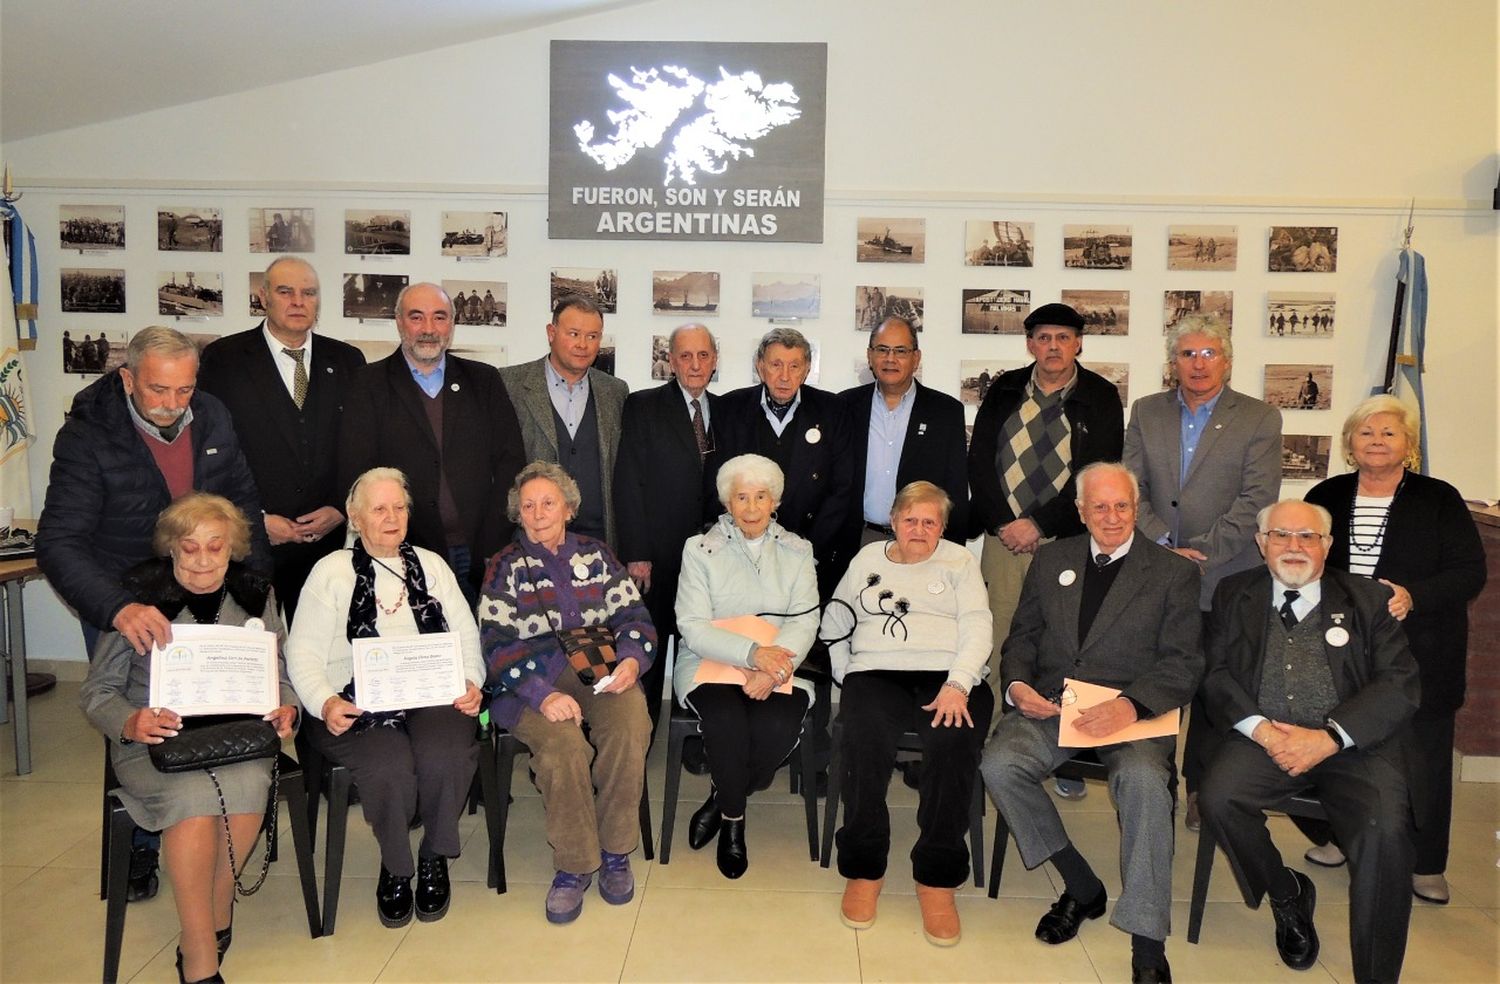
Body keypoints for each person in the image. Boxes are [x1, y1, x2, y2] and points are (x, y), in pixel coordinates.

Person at [37, 325, 270, 902]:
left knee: (219, 715)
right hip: (127, 603)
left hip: (210, 593)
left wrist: (256, 590)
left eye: (184, 391)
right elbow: (59, 541)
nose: (172, 405)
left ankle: (219, 830)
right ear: (128, 378)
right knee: (139, 724)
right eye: (158, 391)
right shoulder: (89, 436)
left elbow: (244, 505)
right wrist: (118, 607)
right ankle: (142, 849)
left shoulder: (212, 416)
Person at [980, 463, 1203, 984]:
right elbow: (1023, 637)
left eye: (1121, 505)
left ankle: (1148, 941)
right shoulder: (1053, 557)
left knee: (1147, 783)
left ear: (1136, 506)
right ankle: (1081, 884)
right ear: (1080, 511)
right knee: (1000, 763)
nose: (1111, 516)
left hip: (1133, 713)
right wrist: (1018, 688)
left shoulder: (1172, 572)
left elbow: (1183, 663)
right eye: (1098, 506)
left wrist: (1130, 705)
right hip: (1057, 705)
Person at [1198, 499, 1419, 983]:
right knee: (1218, 798)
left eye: (1308, 537)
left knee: (1385, 833)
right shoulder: (1235, 593)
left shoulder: (1368, 599)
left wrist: (1331, 737)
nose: (1294, 547)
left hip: (1353, 745)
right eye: (1281, 535)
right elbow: (1214, 675)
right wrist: (1259, 729)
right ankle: (1286, 893)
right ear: (1261, 543)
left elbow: (1400, 685)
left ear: (1328, 545)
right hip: (1264, 735)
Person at [80, 494, 298, 984]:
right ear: (171, 550)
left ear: (231, 550)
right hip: (154, 739)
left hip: (238, 736)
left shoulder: (255, 592)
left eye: (214, 547)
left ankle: (218, 903)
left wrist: (288, 709)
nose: (202, 560)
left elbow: (278, 673)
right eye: (190, 548)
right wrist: (131, 721)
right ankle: (198, 945)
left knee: (249, 787)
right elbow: (97, 691)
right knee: (195, 801)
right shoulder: (138, 596)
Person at [1299, 395, 1485, 903]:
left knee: (1423, 756)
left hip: (1421, 648)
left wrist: (1413, 596)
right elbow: (1297, 556)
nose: (1377, 441)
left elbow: (1471, 572)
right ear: (1350, 443)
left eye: (1389, 433)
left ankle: (1427, 862)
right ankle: (1339, 836)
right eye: (1366, 432)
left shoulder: (1439, 498)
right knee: (1342, 742)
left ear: (1409, 445)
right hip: (1339, 650)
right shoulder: (1327, 495)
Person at [287, 468, 485, 929]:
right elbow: (302, 652)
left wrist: (472, 680)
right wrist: (324, 702)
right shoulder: (330, 572)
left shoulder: (432, 565)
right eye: (379, 509)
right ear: (355, 518)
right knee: (389, 765)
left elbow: (466, 635)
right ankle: (397, 866)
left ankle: (434, 852)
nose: (392, 517)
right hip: (355, 702)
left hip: (431, 692)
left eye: (399, 508)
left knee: (446, 752)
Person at [478, 461, 655, 925]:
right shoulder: (505, 566)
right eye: (529, 505)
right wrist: (542, 694)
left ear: (569, 508)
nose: (538, 513)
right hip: (525, 682)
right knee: (561, 744)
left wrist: (632, 659)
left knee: (631, 720)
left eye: (548, 503)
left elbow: (633, 615)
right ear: (518, 514)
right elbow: (495, 642)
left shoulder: (596, 554)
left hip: (597, 668)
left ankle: (616, 848)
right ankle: (574, 865)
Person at [820, 481, 994, 947]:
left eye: (930, 522)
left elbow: (979, 624)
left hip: (949, 675)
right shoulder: (866, 561)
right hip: (877, 672)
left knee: (952, 743)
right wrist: (847, 675)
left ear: (943, 527)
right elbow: (834, 621)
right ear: (894, 521)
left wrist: (959, 682)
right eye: (910, 519)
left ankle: (937, 877)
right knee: (863, 739)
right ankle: (863, 867)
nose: (919, 529)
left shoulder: (959, 562)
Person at [1124, 316, 1281, 829]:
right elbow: (1132, 487)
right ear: (1173, 363)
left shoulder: (1259, 418)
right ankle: (1155, 782)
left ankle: (1202, 789)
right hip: (1156, 570)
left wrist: (1198, 550)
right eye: (1187, 354)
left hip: (1226, 574)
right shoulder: (1146, 411)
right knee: (1157, 679)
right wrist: (1166, 547)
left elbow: (1257, 499)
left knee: (1215, 687)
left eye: (1208, 354)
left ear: (1227, 361)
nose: (1198, 363)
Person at [968, 302, 1123, 801]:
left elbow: (1098, 471)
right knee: (1000, 631)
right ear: (1029, 343)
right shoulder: (1006, 387)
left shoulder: (1100, 396)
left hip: (1069, 540)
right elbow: (979, 461)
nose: (1052, 346)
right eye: (1042, 337)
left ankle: (1065, 749)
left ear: (1079, 343)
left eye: (1063, 337)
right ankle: (993, 740)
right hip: (1003, 537)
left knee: (1065, 640)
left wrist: (1039, 523)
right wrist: (1004, 523)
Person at [673, 454, 819, 878]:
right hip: (711, 660)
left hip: (780, 664)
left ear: (775, 502)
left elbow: (806, 619)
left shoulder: (798, 551)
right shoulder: (700, 551)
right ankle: (734, 824)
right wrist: (752, 656)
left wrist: (771, 669)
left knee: (775, 727)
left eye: (761, 497)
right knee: (727, 723)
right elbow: (692, 625)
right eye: (741, 497)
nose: (752, 508)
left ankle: (720, 798)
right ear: (727, 503)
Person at [199, 257, 366, 622]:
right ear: (263, 297)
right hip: (251, 542)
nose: (298, 301)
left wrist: (340, 508)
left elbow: (361, 444)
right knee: (253, 654)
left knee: (322, 654)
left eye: (308, 293)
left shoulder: (348, 360)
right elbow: (210, 454)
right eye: (285, 291)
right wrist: (256, 521)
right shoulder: (223, 360)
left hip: (327, 541)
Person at [339, 282, 526, 604]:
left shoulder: (484, 381)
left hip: (478, 551)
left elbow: (511, 462)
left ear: (452, 325)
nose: (428, 329)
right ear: (399, 322)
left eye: (439, 317)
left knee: (476, 648)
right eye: (417, 317)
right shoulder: (367, 384)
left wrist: (494, 543)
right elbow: (357, 471)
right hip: (401, 551)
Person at [614, 323, 722, 735]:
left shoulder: (726, 410)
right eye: (685, 356)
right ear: (671, 361)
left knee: (702, 651)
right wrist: (637, 553)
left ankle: (696, 740)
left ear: (714, 360)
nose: (695, 365)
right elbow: (628, 480)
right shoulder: (643, 406)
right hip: (657, 556)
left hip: (711, 560)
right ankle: (640, 735)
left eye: (703, 356)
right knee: (651, 649)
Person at [715, 326, 854, 599]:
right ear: (760, 366)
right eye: (776, 364)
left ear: (807, 369)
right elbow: (720, 484)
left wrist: (809, 548)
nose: (785, 376)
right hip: (742, 549)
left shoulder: (833, 410)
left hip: (811, 548)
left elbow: (842, 488)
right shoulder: (730, 408)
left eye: (794, 366)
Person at [500, 294, 629, 549]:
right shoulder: (509, 384)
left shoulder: (615, 391)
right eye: (573, 334)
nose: (583, 344)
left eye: (592, 336)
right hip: (530, 539)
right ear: (551, 333)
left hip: (599, 541)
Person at [839, 316, 968, 562]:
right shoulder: (844, 406)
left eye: (900, 351)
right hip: (858, 540)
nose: (890, 359)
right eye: (882, 350)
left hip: (922, 543)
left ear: (916, 358)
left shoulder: (945, 411)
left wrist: (952, 554)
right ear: (869, 355)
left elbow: (956, 489)